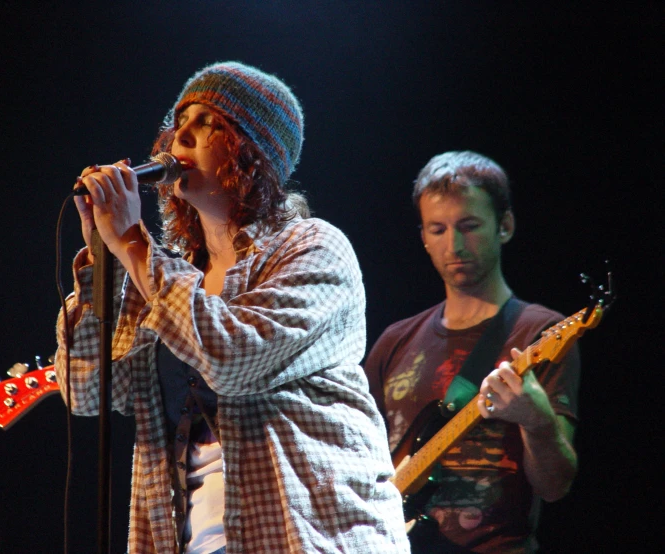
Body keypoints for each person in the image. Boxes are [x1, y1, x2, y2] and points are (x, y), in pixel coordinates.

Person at [55, 61, 409, 554]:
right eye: (179, 121)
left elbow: (231, 356)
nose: (182, 133)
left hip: (311, 537)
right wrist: (101, 259)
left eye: (208, 122)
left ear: (253, 152)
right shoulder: (162, 275)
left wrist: (134, 245)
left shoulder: (313, 249)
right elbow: (86, 391)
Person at [364, 151, 580, 553]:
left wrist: (538, 422)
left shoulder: (539, 333)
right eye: (438, 229)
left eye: (469, 226)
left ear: (506, 225)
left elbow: (554, 486)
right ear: (423, 237)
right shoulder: (394, 341)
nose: (455, 245)